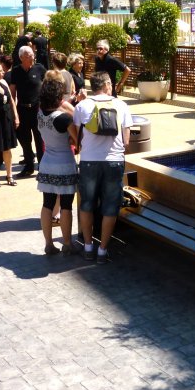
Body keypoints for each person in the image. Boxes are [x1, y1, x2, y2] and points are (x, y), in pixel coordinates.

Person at [73, 72, 133, 264]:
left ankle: (88, 247)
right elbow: (126, 141)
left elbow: (77, 136)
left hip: (89, 161)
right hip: (114, 161)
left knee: (87, 204)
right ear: (107, 84)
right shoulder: (121, 105)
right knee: (110, 206)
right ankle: (102, 250)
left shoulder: (82, 106)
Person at [36, 77, 80, 256]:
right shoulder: (64, 119)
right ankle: (67, 244)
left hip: (47, 163)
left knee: (47, 204)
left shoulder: (39, 113)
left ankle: (48, 244)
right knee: (66, 206)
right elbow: (78, 141)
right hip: (64, 164)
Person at [10, 46, 46, 176]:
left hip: (37, 109)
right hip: (22, 109)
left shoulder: (39, 68)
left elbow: (47, 86)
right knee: (25, 140)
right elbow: (12, 93)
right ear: (21, 58)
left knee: (39, 139)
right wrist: (14, 112)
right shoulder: (16, 71)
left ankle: (42, 166)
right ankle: (29, 166)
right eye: (29, 56)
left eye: (32, 55)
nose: (32, 57)